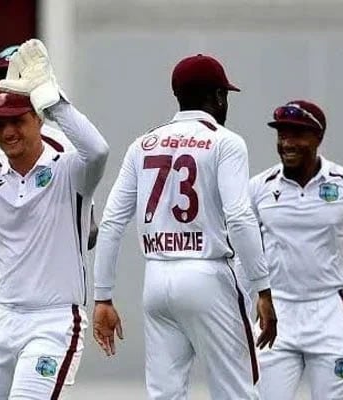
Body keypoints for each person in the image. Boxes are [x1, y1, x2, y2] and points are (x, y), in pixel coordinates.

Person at [92, 54, 278, 399]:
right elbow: (239, 216)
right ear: (219, 96)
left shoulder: (143, 144)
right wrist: (262, 288)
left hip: (157, 280)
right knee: (237, 391)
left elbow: (114, 219)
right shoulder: (226, 141)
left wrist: (103, 295)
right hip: (208, 275)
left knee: (165, 394)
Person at [0, 39, 109, 399]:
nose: (8, 132)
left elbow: (98, 151)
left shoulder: (67, 161)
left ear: (38, 114)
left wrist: (51, 95)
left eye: (17, 120)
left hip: (52, 320)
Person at [248, 100, 343, 400]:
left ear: (318, 137)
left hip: (329, 312)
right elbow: (242, 251)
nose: (287, 143)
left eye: (297, 134)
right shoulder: (259, 188)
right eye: (282, 135)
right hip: (277, 313)